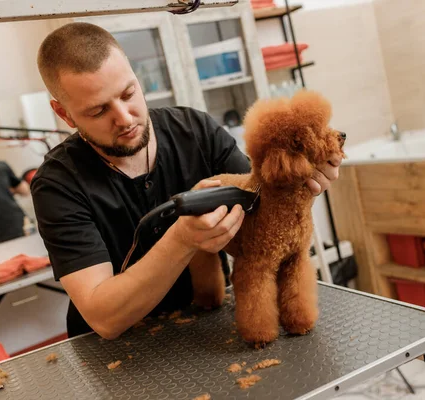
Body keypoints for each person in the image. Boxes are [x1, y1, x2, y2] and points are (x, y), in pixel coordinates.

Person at [31, 22, 342, 340]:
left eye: (128, 93)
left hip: (206, 326)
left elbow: (262, 212)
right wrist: (181, 239)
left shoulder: (196, 131)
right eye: (98, 111)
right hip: (113, 350)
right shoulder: (57, 185)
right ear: (64, 114)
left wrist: (304, 180)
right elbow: (104, 318)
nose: (124, 117)